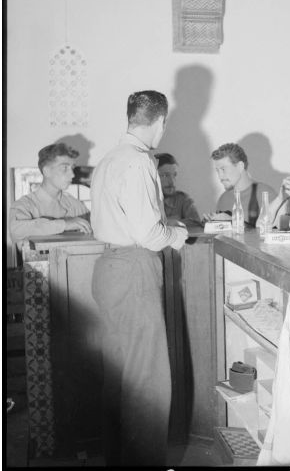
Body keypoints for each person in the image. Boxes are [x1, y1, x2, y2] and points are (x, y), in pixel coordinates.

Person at [90, 90, 189, 466]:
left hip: (109, 268)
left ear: (131, 117)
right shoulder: (138, 161)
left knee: (120, 376)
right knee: (147, 378)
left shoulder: (109, 159)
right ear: (160, 122)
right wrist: (176, 236)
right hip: (134, 269)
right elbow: (149, 235)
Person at [9, 142, 91, 251]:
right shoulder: (24, 205)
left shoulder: (75, 205)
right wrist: (64, 224)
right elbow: (17, 230)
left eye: (72, 168)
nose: (72, 174)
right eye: (65, 168)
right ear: (46, 171)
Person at [204, 142, 276, 226]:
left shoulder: (266, 195)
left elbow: (273, 235)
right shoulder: (223, 199)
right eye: (217, 171)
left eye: (223, 169)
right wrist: (210, 224)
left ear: (240, 166)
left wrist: (233, 221)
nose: (220, 176)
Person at [155, 152, 202, 228]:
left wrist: (173, 222)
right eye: (165, 175)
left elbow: (197, 225)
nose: (172, 181)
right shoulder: (143, 202)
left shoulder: (183, 200)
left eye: (174, 175)